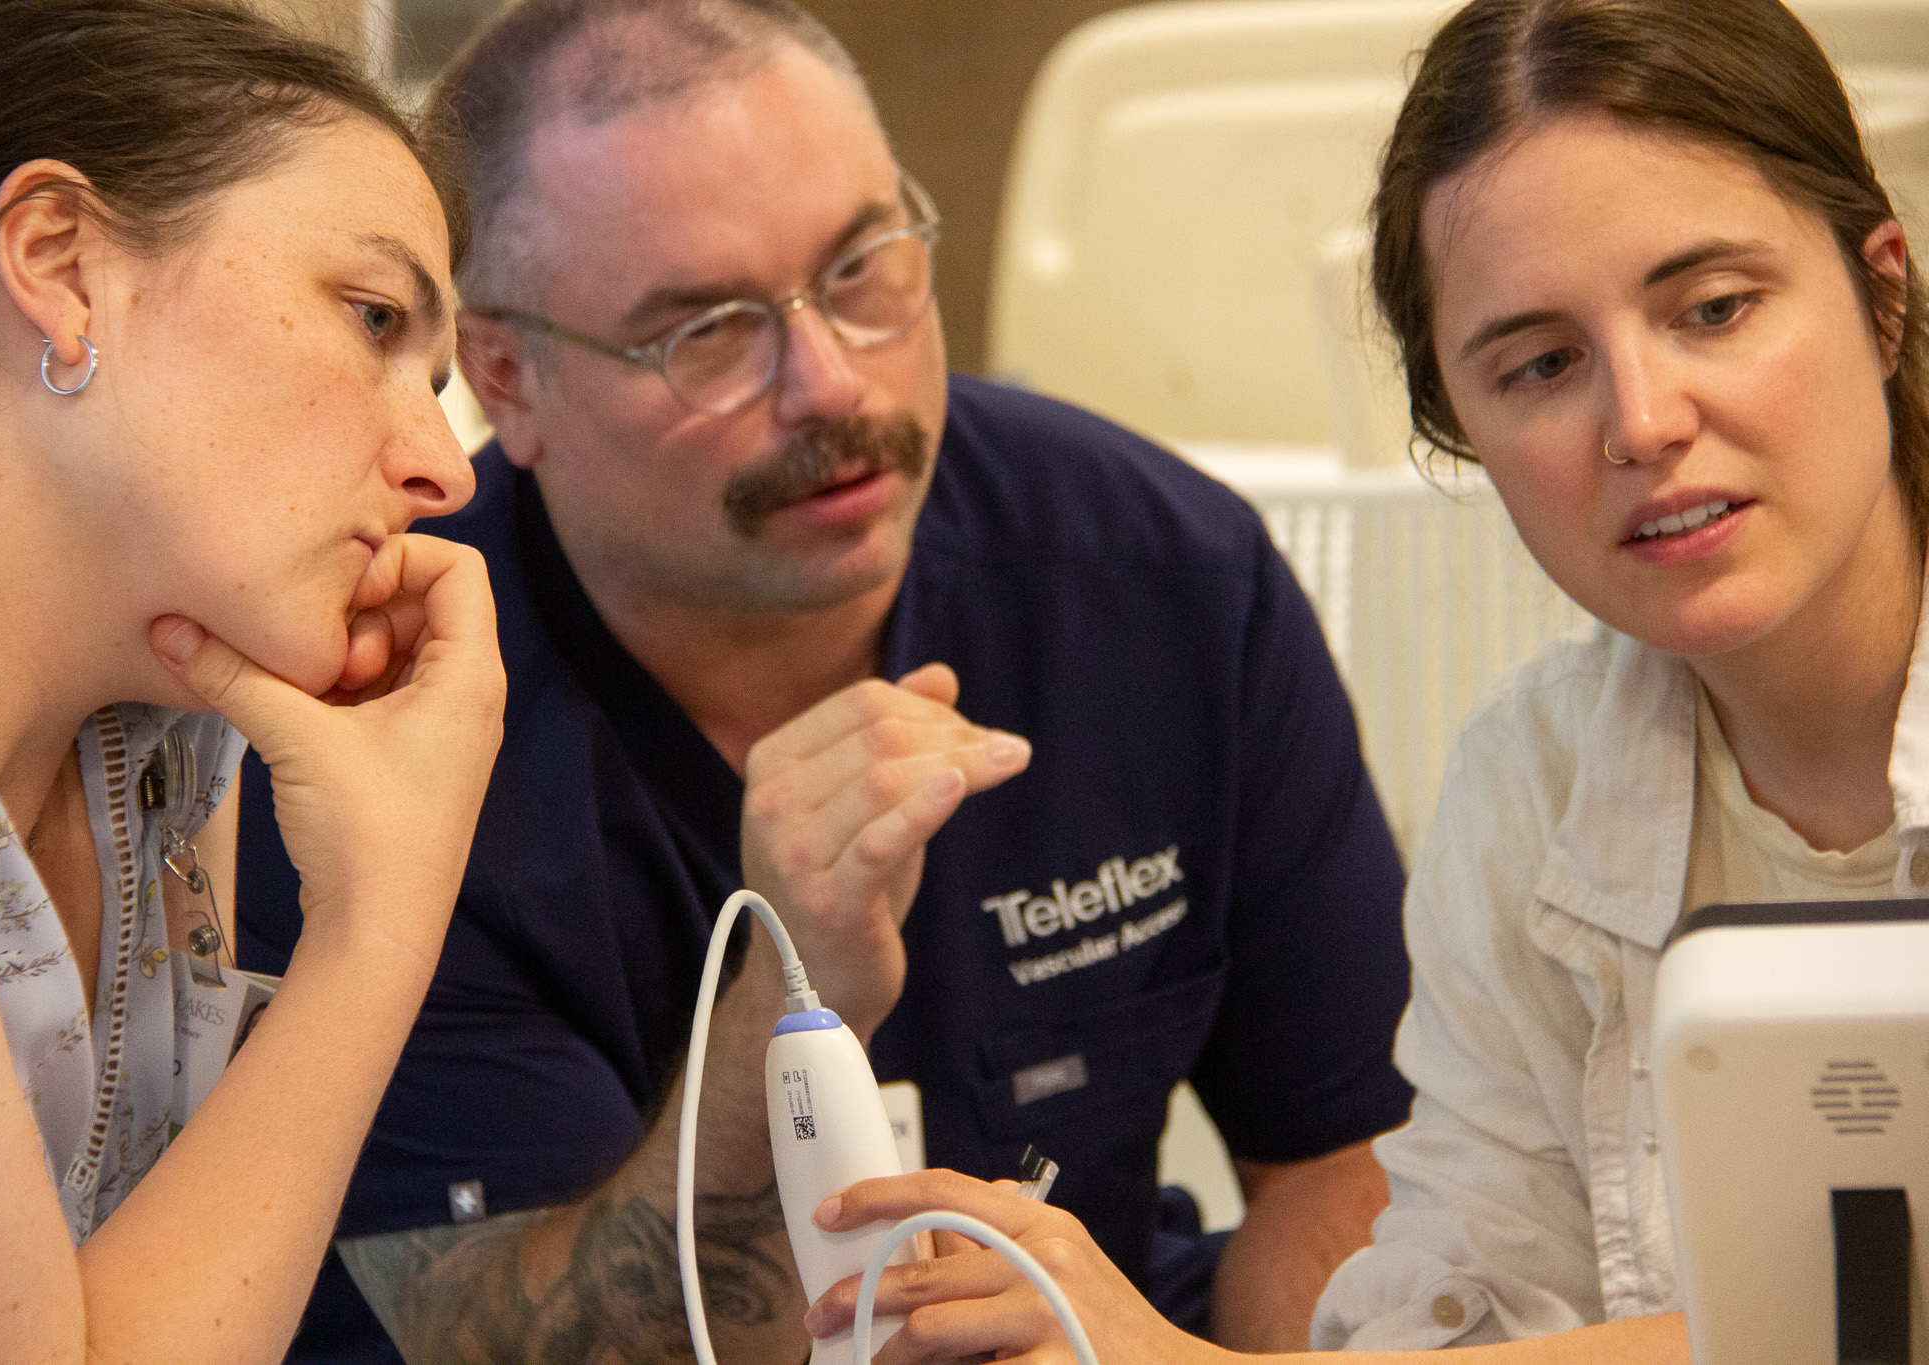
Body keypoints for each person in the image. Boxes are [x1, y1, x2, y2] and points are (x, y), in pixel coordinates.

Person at [228, 1, 1417, 1360]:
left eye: (861, 267)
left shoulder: (1158, 576)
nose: (831, 383)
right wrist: (787, 1012)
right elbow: (487, 1339)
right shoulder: (377, 711)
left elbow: (1343, 1162)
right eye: (706, 331)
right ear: (506, 378)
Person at [796, 0, 1929, 1358]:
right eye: (1542, 364)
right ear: (1462, 426)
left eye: (1716, 307)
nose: (1642, 421)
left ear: (1883, 293)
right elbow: (1457, 1317)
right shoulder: (1531, 792)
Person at [0, 1, 506, 1361]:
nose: (447, 468)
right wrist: (377, 924)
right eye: (375, 314)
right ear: (59, 260)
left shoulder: (161, 745)